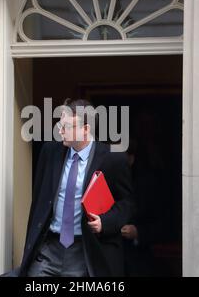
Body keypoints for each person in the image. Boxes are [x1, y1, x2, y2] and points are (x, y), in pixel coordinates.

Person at [18, 99, 134, 277]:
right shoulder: (50, 152)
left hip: (85, 249)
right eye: (60, 124)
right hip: (49, 248)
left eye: (67, 127)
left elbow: (127, 203)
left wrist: (106, 222)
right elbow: (39, 201)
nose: (60, 130)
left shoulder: (112, 159)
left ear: (85, 129)